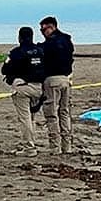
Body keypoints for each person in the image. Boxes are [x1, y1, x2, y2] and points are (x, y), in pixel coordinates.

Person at [1, 26, 46, 157]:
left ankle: (29, 147)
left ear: (20, 37)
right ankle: (32, 142)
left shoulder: (17, 52)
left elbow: (5, 70)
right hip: (38, 87)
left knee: (25, 118)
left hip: (23, 87)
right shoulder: (40, 51)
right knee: (31, 118)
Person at [39, 16, 75, 155]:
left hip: (52, 79)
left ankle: (55, 146)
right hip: (66, 79)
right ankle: (67, 145)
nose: (43, 32)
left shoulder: (50, 44)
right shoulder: (67, 40)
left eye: (44, 29)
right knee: (64, 112)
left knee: (51, 113)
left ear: (52, 27)